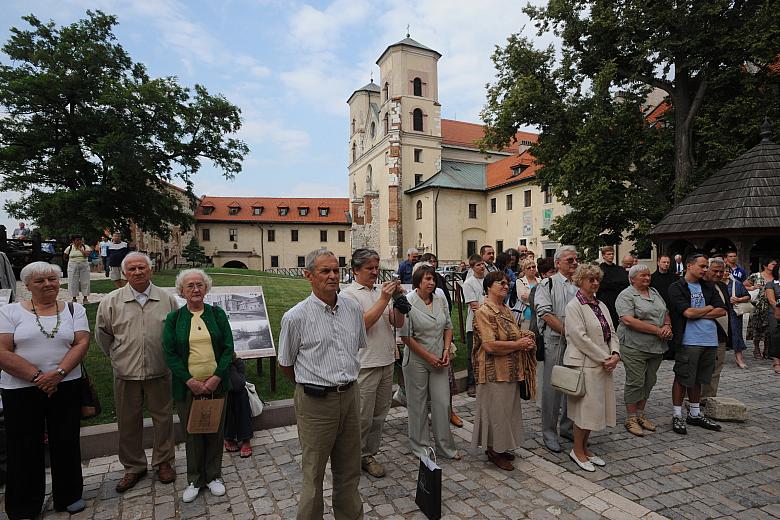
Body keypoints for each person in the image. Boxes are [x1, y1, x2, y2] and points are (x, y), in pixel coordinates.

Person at [278, 249, 366, 520]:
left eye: (336, 270)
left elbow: (357, 347)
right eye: (325, 271)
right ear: (309, 276)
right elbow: (285, 364)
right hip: (316, 403)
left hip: (350, 397)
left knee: (349, 470)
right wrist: (312, 383)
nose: (332, 276)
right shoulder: (296, 317)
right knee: (314, 473)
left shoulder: (352, 308)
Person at [0, 262, 89, 517]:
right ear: (27, 285)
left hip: (66, 384)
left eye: (52, 279)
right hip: (20, 388)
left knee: (66, 440)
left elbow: (81, 342)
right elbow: (2, 350)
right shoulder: (9, 312)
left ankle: (69, 494)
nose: (48, 284)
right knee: (23, 445)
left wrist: (59, 374)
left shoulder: (75, 309)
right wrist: (38, 377)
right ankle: (24, 504)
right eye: (40, 281)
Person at [95, 252, 179, 492]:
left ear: (150, 270)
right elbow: (102, 336)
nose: (138, 272)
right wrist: (118, 357)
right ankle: (134, 466)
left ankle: (163, 463)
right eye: (132, 269)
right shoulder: (111, 302)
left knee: (163, 420)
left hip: (159, 370)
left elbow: (173, 335)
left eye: (142, 267)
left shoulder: (167, 299)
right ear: (124, 273)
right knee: (128, 422)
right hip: (126, 373)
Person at [163, 269, 234, 502]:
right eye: (190, 286)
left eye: (200, 285)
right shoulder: (175, 319)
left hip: (216, 385)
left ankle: (214, 476)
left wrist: (216, 378)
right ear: (181, 291)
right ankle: (195, 479)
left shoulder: (217, 314)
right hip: (188, 388)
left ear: (206, 288)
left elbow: (227, 348)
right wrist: (190, 381)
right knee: (192, 433)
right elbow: (170, 353)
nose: (195, 289)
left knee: (215, 430)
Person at [340, 248, 405, 478]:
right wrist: (385, 299)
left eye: (377, 268)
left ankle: (368, 453)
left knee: (379, 414)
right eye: (370, 268)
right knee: (362, 415)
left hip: (386, 359)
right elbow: (362, 324)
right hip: (365, 363)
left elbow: (396, 322)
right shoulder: (348, 295)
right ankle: (352, 456)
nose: (375, 273)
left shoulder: (380, 291)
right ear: (355, 270)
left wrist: (398, 302)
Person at [472, 271, 536, 471]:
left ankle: (500, 446)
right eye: (501, 283)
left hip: (510, 369)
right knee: (496, 413)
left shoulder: (505, 309)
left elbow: (512, 334)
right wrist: (518, 344)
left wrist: (525, 338)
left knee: (507, 411)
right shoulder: (484, 312)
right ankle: (493, 450)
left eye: (508, 283)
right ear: (489, 287)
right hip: (493, 371)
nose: (506, 286)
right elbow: (490, 345)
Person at [400, 264, 460, 460]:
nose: (432, 282)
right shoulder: (408, 301)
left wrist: (445, 350)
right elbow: (407, 337)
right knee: (418, 405)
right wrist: (429, 357)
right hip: (417, 359)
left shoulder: (440, 299)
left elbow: (448, 327)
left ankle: (445, 447)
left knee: (442, 403)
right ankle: (421, 448)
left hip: (440, 359)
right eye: (427, 279)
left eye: (433, 279)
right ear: (418, 281)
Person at [564, 263, 620, 472]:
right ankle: (577, 451)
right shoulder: (574, 306)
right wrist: (605, 357)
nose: (595, 283)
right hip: (585, 364)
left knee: (596, 408)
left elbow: (612, 332)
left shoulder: (600, 304)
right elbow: (580, 338)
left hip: (602, 364)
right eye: (591, 279)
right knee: (585, 411)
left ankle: (585, 448)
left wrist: (615, 354)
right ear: (581, 281)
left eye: (597, 279)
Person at [667, 254, 727, 435]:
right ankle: (677, 414)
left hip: (709, 339)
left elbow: (722, 310)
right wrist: (708, 308)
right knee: (683, 376)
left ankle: (694, 413)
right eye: (701, 266)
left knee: (699, 378)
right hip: (688, 340)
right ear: (689, 266)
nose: (704, 270)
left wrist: (701, 311)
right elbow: (688, 313)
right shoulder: (677, 287)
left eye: (705, 266)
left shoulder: (708, 286)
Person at [616, 264, 671, 437]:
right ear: (632, 279)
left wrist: (668, 326)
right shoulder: (626, 295)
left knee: (649, 380)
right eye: (643, 276)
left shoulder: (654, 292)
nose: (647, 278)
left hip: (656, 346)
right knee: (636, 380)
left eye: (648, 275)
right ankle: (631, 417)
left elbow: (665, 311)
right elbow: (629, 321)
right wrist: (657, 330)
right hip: (633, 345)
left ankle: (641, 414)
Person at [534, 245, 579, 453]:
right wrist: (569, 333)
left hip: (578, 343)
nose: (574, 263)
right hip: (556, 341)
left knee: (574, 386)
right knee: (553, 390)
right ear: (558, 263)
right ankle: (549, 433)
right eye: (570, 260)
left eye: (576, 260)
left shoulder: (579, 284)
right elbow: (545, 313)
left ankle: (567, 427)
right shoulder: (547, 284)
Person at [701, 258, 733, 399]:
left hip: (721, 334)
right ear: (706, 269)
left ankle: (708, 398)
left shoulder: (722, 286)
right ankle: (694, 398)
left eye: (721, 271)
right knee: (700, 368)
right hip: (702, 334)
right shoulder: (698, 286)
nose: (719, 274)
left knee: (716, 369)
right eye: (715, 271)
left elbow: (724, 310)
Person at [462, 254, 486, 397]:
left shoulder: (489, 280)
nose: (482, 267)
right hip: (474, 323)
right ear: (472, 267)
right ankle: (471, 383)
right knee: (473, 354)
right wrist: (489, 304)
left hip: (489, 323)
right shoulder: (469, 283)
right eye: (478, 265)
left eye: (483, 264)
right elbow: (474, 305)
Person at [744, 258, 778, 360]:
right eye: (772, 264)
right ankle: (756, 348)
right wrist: (753, 288)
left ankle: (767, 349)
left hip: (771, 307)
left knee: (769, 329)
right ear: (765, 265)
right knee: (757, 328)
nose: (774, 266)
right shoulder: (756, 276)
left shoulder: (776, 277)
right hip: (758, 307)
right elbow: (744, 285)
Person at [224, 355, 253, 458]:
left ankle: (245, 438)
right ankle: (229, 437)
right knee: (229, 397)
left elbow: (238, 384)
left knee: (240, 395)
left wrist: (230, 365)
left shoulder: (238, 363)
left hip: (237, 392)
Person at [724, 267, 750, 368]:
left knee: (736, 333)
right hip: (718, 312)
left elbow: (748, 296)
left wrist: (738, 299)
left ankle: (739, 359)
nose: (725, 273)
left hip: (733, 312)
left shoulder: (736, 283)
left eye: (727, 271)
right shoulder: (714, 284)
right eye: (722, 271)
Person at [598, 246, 629, 328]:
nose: (611, 256)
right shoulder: (600, 269)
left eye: (612, 254)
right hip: (606, 300)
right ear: (603, 256)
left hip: (619, 298)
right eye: (608, 254)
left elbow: (625, 282)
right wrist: (617, 283)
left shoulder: (619, 269)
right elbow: (603, 285)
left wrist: (613, 284)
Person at [763, 263, 780, 374]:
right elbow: (771, 301)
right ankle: (777, 362)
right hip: (775, 313)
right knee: (776, 336)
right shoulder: (771, 284)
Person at [64, 235, 90, 305]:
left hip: (84, 264)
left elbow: (86, 255)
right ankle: (74, 298)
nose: (79, 241)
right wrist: (72, 261)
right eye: (77, 240)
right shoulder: (69, 248)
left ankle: (85, 298)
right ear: (73, 241)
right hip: (73, 265)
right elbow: (65, 256)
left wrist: (80, 249)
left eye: (80, 240)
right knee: (72, 281)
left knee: (85, 281)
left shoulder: (85, 247)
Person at [515, 258, 539, 329]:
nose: (532, 269)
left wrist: (530, 297)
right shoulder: (520, 281)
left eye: (533, 267)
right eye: (529, 268)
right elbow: (523, 298)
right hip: (527, 315)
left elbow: (544, 297)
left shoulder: (540, 280)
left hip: (539, 314)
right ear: (524, 270)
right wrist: (538, 298)